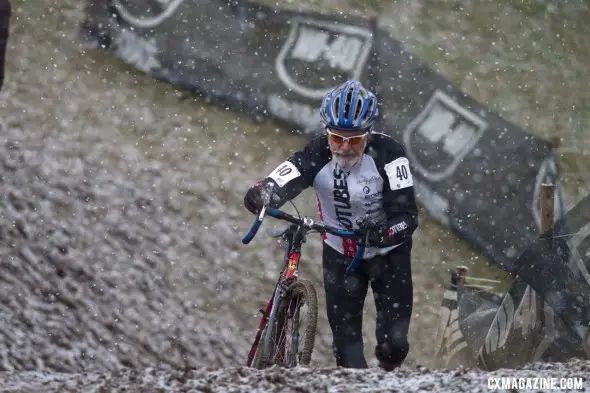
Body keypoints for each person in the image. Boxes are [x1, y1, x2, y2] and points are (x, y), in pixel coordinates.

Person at [243, 80, 419, 371]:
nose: (345, 147)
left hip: (390, 256)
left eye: (355, 140)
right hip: (339, 253)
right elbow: (287, 175)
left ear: (369, 133)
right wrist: (265, 191)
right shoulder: (318, 152)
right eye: (337, 138)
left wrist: (382, 233)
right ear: (327, 133)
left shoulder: (391, 154)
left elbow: (408, 217)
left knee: (393, 347)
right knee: (347, 357)